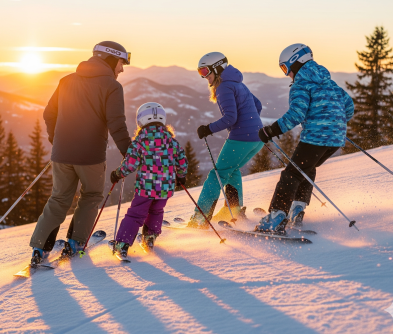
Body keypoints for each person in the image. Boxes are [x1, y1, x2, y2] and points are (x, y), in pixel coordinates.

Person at [29, 41, 133, 267]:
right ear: (109, 59)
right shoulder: (112, 87)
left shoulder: (66, 81)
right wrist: (130, 153)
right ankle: (75, 243)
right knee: (91, 195)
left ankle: (39, 247)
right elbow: (117, 124)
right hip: (90, 157)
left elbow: (49, 114)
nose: (122, 69)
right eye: (120, 63)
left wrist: (55, 140)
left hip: (61, 154)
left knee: (58, 199)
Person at [256, 43, 355, 233]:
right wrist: (335, 124)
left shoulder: (301, 84)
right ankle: (297, 212)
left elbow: (296, 114)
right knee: (306, 169)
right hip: (335, 140)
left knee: (291, 175)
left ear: (295, 63)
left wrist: (270, 130)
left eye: (285, 68)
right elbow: (349, 106)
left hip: (315, 139)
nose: (286, 74)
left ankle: (276, 217)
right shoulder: (329, 83)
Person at [187, 52, 265, 228]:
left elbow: (230, 118)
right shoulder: (238, 84)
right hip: (258, 138)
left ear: (217, 67)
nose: (204, 77)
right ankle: (234, 210)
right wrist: (252, 126)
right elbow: (258, 105)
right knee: (232, 169)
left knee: (217, 175)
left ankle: (200, 218)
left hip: (241, 139)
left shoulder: (223, 87)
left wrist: (208, 129)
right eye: (201, 72)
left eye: (205, 71)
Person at [107, 102, 189, 259]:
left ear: (141, 121)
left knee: (136, 214)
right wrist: (181, 175)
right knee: (157, 210)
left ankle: (122, 243)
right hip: (165, 188)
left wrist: (118, 174)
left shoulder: (140, 141)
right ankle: (150, 237)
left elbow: (130, 164)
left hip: (146, 188)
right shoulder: (171, 140)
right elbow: (182, 160)